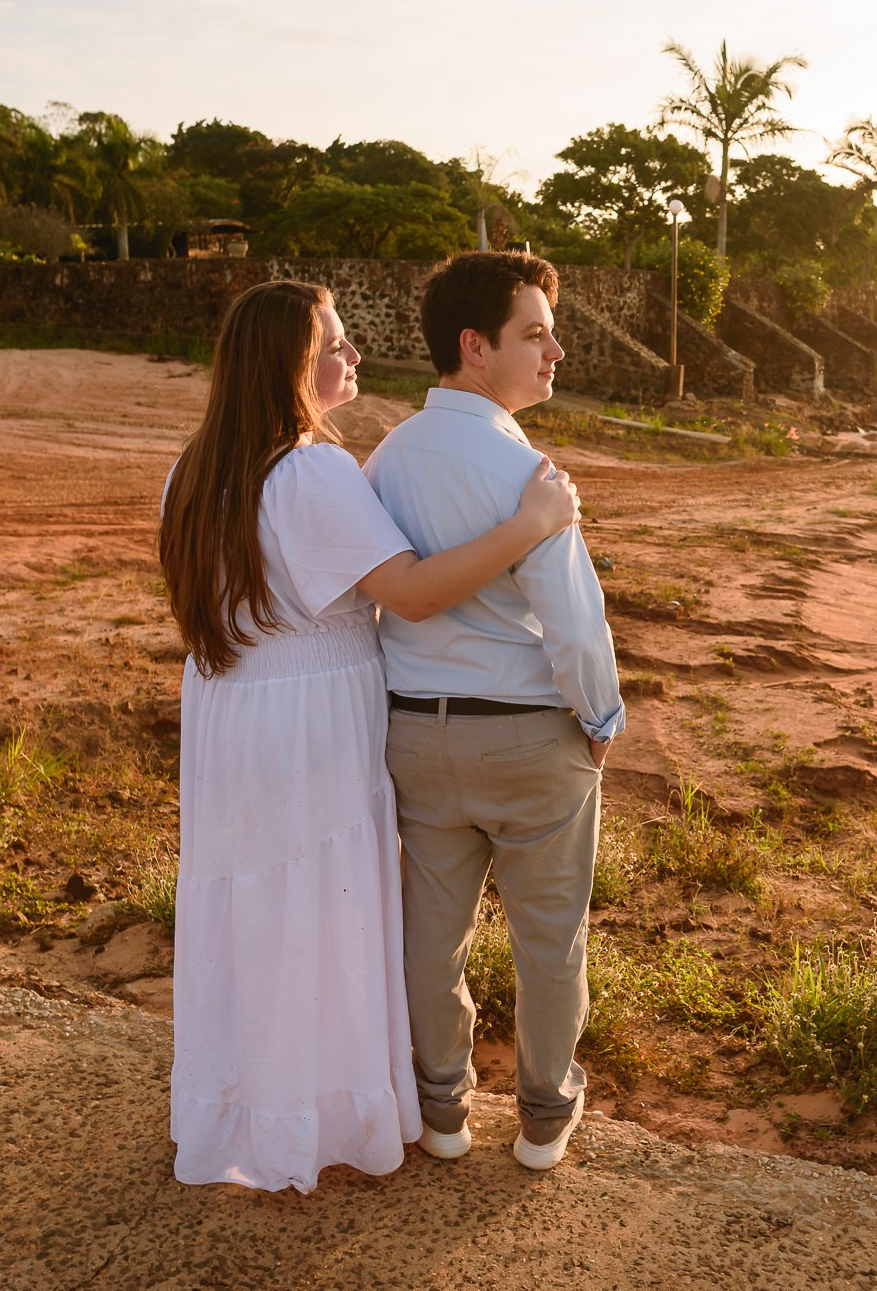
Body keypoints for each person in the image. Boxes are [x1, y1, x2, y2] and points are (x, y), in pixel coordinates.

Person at [157, 278, 581, 1193]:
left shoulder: (190, 470)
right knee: (321, 904)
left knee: (252, 906)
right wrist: (529, 523)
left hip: (232, 710)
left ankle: (242, 1102)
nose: (353, 357)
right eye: (335, 346)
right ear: (287, 365)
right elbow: (417, 592)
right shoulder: (309, 469)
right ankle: (318, 1113)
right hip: (309, 714)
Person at [363, 251, 623, 1172]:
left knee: (431, 935)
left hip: (415, 735)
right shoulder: (528, 472)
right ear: (475, 347)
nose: (557, 348)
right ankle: (545, 1121)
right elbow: (574, 621)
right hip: (524, 736)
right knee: (549, 936)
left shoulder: (387, 455)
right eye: (535, 332)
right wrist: (600, 716)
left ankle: (442, 1112)